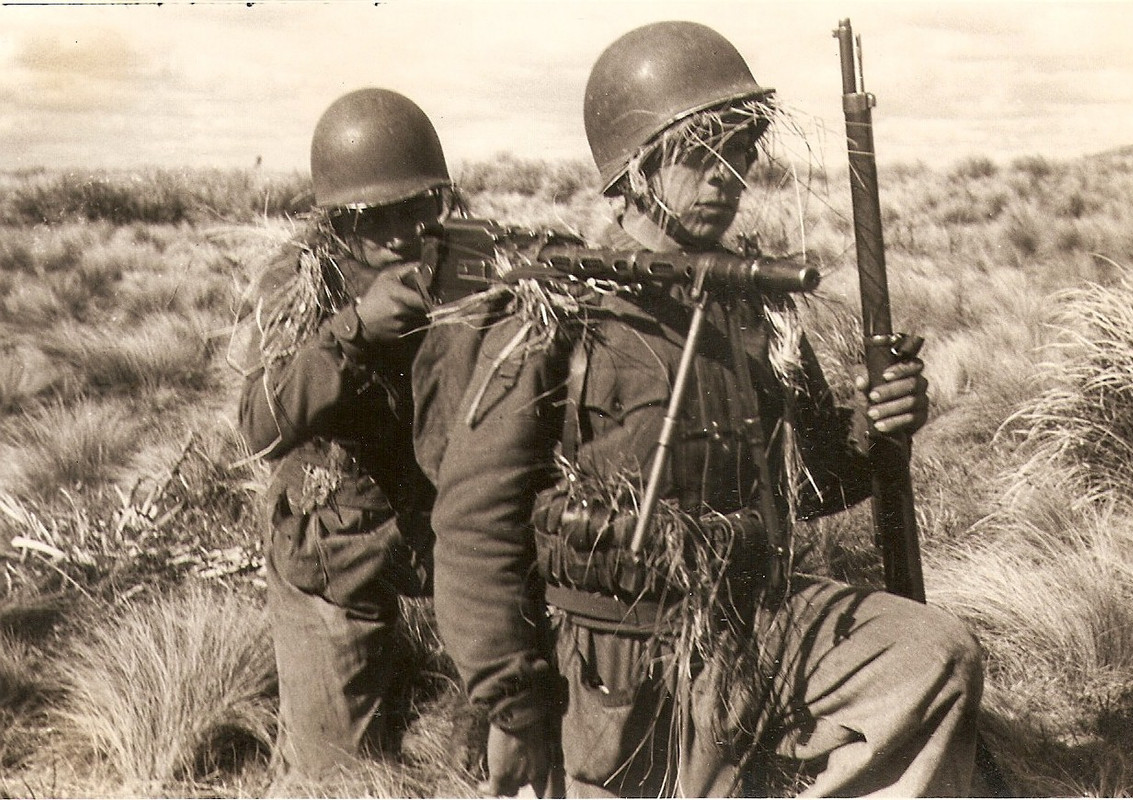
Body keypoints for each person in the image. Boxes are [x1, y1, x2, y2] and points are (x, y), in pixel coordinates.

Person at [420, 21, 985, 797]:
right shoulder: (556, 310)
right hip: (614, 660)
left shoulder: (754, 305)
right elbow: (474, 524)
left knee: (933, 658)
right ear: (635, 167)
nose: (730, 176)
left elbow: (816, 484)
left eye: (743, 150)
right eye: (701, 152)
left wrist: (878, 427)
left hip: (755, 622)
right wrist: (511, 707)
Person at [235, 87, 452, 781]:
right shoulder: (300, 279)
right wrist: (353, 333)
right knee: (339, 778)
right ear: (335, 221)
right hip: (331, 545)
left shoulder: (458, 263)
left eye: (418, 207)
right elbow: (258, 423)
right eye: (374, 217)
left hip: (442, 528)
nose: (401, 233)